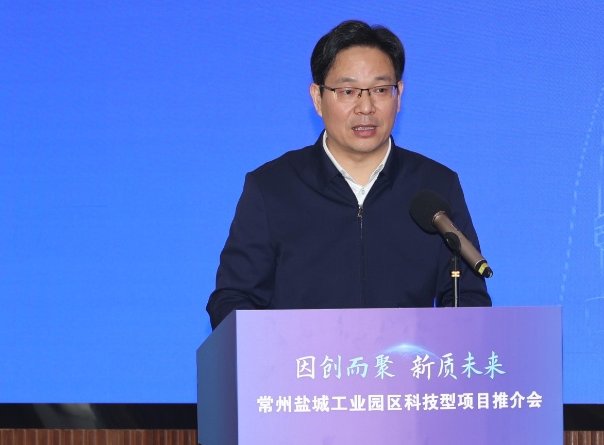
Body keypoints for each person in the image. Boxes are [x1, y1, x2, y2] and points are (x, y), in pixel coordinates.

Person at [206, 20, 491, 329]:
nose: (365, 107)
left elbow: (468, 299)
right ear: (318, 98)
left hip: (405, 361)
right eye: (348, 91)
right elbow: (233, 299)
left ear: (399, 95)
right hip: (302, 359)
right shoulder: (272, 187)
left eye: (380, 90)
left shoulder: (435, 187)